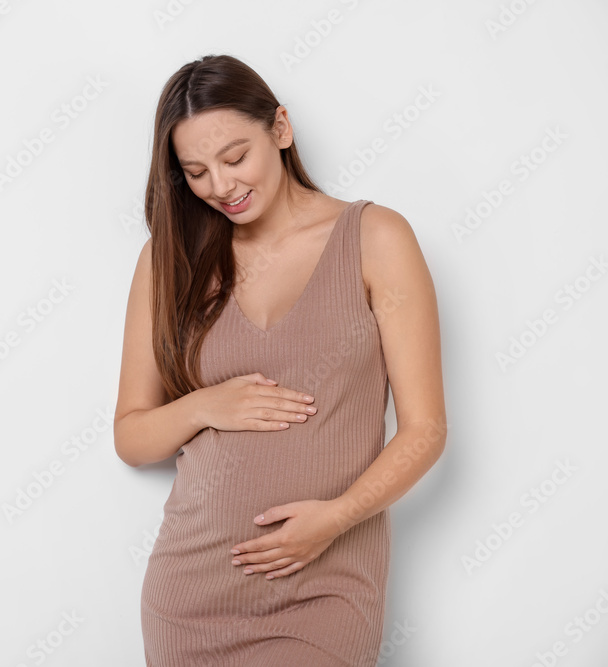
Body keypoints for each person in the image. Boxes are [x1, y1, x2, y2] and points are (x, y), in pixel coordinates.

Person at [113, 54, 447, 666]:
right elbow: (132, 437)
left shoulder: (375, 239)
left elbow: (425, 430)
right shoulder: (169, 260)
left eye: (235, 157)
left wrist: (336, 519)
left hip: (327, 584)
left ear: (282, 129)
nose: (220, 185)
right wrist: (206, 404)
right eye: (195, 171)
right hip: (192, 592)